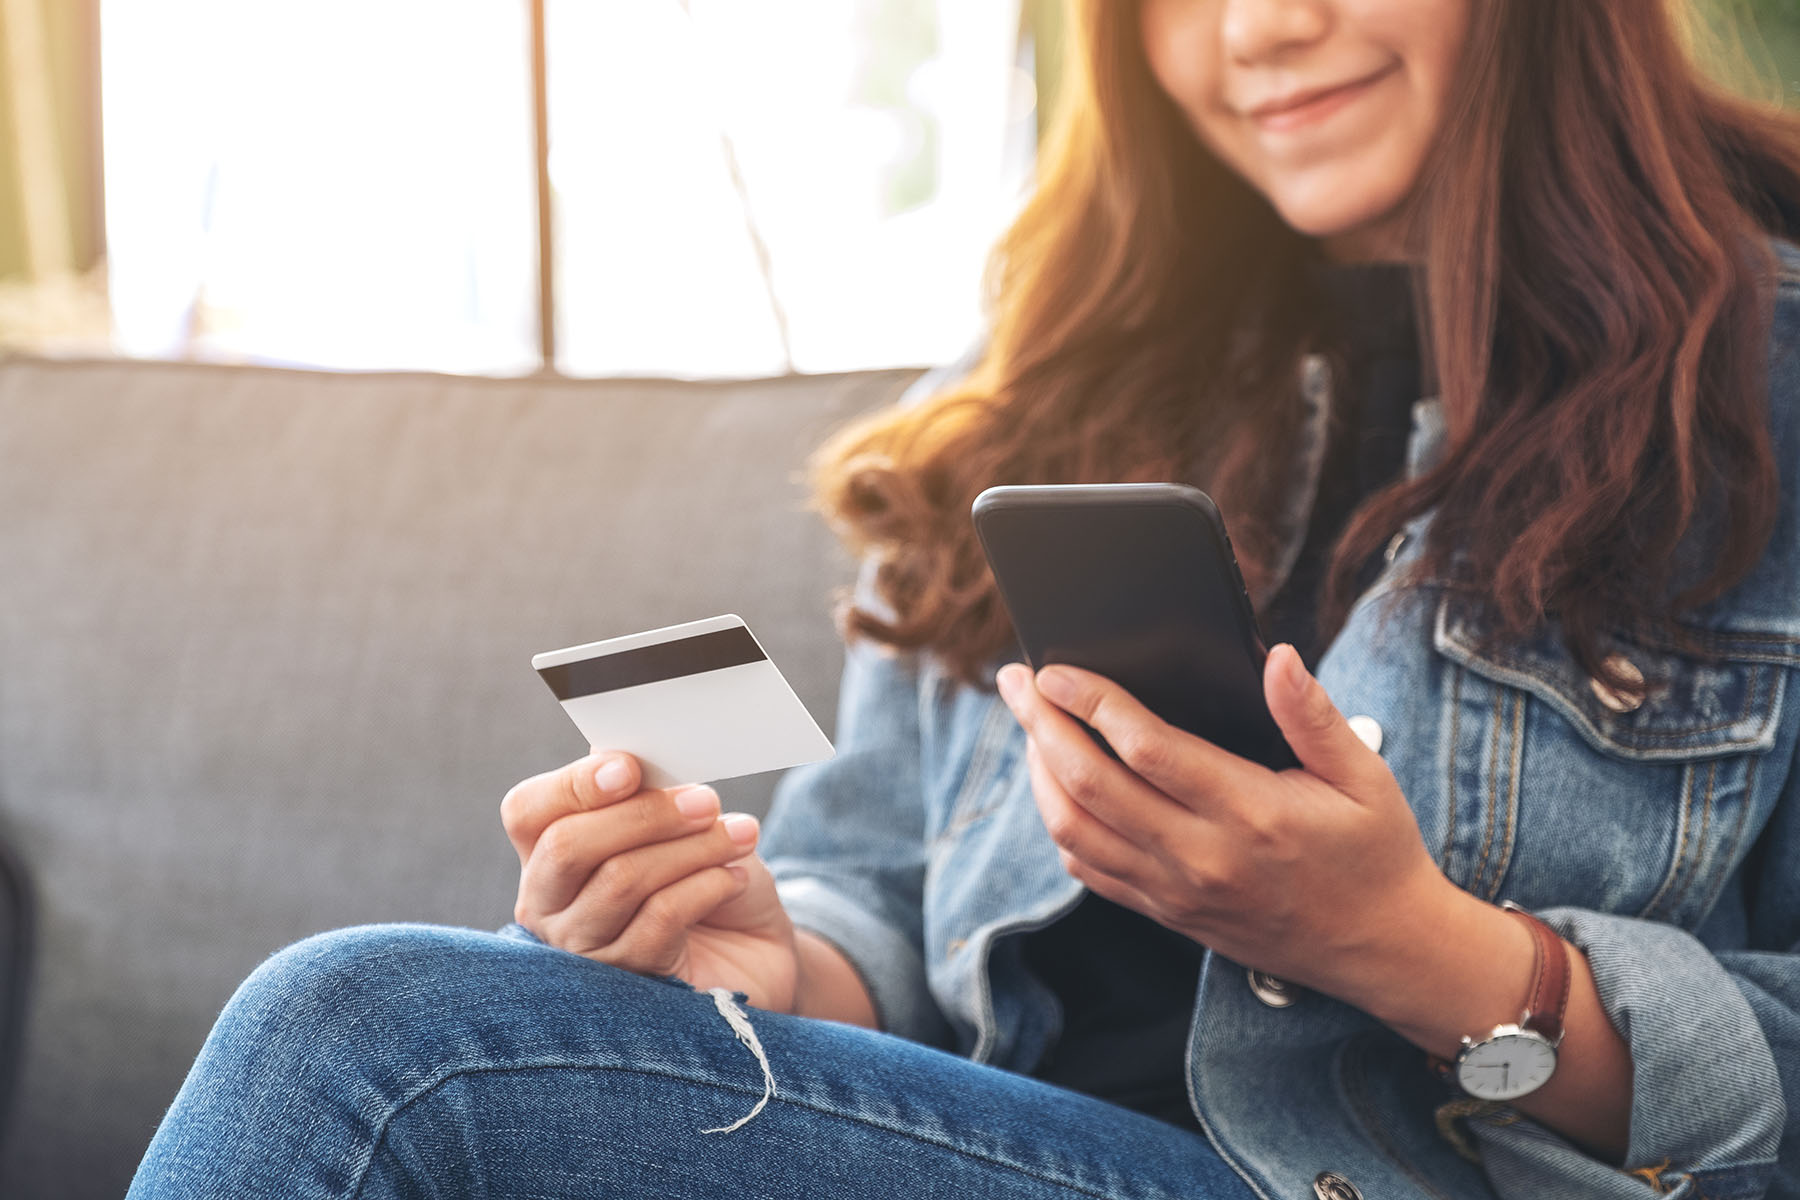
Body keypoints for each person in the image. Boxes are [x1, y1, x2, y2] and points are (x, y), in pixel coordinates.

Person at [130, 1, 1800, 1197]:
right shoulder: (1052, 395)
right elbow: (877, 884)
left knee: (366, 1039)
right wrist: (779, 966)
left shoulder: (1760, 395)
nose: (1260, 29)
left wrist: (1419, 955)